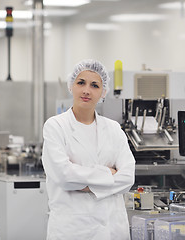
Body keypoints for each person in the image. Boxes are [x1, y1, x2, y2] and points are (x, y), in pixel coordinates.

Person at [42, 59, 135, 240]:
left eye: (94, 85)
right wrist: (109, 174)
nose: (86, 90)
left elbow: (128, 177)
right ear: (71, 86)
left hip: (112, 229)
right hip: (74, 230)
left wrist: (84, 182)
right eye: (81, 83)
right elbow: (64, 177)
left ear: (103, 92)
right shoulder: (55, 126)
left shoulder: (114, 128)